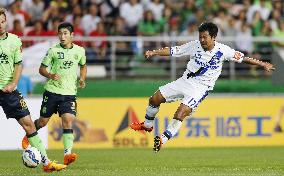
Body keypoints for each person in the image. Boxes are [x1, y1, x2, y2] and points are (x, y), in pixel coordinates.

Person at [130, 22, 275, 152]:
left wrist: (263, 64)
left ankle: (163, 139)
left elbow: (244, 58)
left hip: (200, 89)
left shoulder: (224, 50)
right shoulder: (195, 45)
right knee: (154, 99)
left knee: (181, 112)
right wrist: (154, 52)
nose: (202, 40)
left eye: (205, 37)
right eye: (200, 37)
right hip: (184, 81)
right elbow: (174, 50)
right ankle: (148, 126)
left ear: (214, 37)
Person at [0, 8, 66, 172]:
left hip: (8, 91)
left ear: (6, 21)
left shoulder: (15, 41)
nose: (0, 25)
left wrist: (13, 84)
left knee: (29, 124)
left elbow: (18, 65)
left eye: (2, 21)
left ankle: (46, 163)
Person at [22, 22, 87, 165]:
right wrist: (50, 75)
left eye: (65, 33)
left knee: (68, 120)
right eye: (60, 33)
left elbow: (83, 66)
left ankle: (67, 154)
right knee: (43, 122)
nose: (62, 36)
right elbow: (41, 69)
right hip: (52, 92)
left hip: (69, 93)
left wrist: (82, 79)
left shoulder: (80, 51)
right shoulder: (53, 51)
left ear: (72, 35)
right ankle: (29, 134)